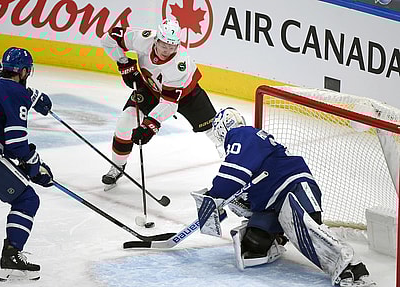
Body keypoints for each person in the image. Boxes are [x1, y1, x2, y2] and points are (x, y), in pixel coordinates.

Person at [192, 107, 375, 287]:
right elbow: (248, 196)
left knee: (307, 229)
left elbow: (232, 175)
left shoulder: (243, 134)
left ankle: (352, 268)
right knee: (253, 245)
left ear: (223, 129)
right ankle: (279, 236)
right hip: (272, 203)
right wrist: (236, 203)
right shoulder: (246, 144)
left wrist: (215, 195)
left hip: (293, 186)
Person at [100, 18, 220, 190]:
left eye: (172, 46)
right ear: (156, 39)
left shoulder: (179, 64)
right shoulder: (143, 39)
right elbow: (109, 39)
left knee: (217, 132)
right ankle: (118, 166)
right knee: (125, 123)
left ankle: (237, 174)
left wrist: (150, 124)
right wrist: (123, 62)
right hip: (150, 89)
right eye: (164, 45)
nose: (167, 50)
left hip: (188, 96)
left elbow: (170, 103)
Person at [0, 47, 53, 281]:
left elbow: (5, 142)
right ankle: (12, 256)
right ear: (25, 71)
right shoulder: (16, 91)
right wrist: (34, 165)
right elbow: (16, 142)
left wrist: (31, 166)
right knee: (26, 199)